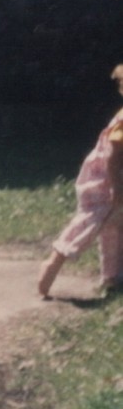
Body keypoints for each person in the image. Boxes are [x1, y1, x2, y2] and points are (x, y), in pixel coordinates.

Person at [38, 64, 123, 299]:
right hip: (105, 182)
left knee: (115, 229)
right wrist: (117, 187)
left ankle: (112, 277)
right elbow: (113, 156)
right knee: (89, 224)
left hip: (115, 180)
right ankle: (53, 263)